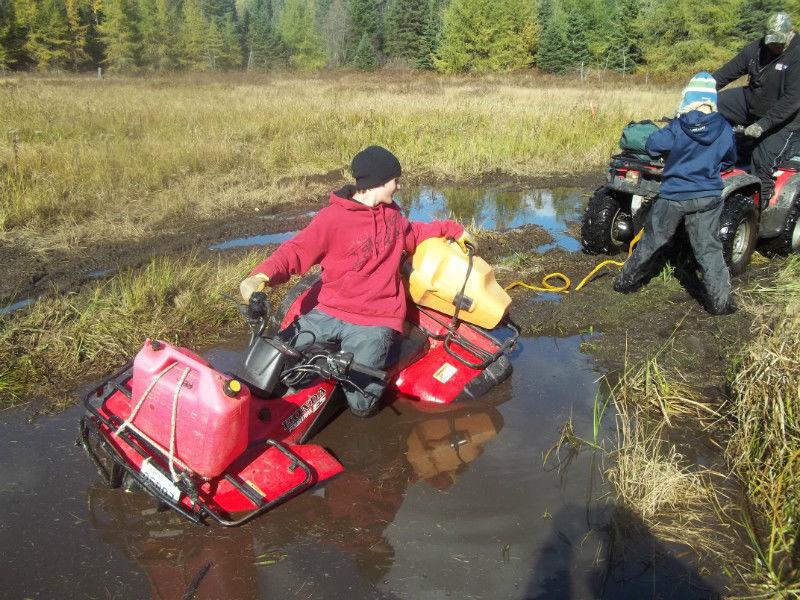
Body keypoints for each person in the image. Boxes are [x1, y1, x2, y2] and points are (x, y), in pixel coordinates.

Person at [239, 145, 473, 417]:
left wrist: (452, 229)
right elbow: (296, 251)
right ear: (378, 182)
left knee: (361, 406)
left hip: (376, 318)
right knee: (269, 360)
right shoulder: (332, 219)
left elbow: (415, 232)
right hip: (328, 312)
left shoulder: (394, 217)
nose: (398, 187)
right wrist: (260, 275)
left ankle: (402, 347)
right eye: (395, 180)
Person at [614, 72, 736, 315]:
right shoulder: (723, 126)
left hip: (674, 196)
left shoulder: (678, 126)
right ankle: (721, 305)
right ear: (711, 99)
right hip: (707, 196)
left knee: (652, 240)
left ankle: (625, 283)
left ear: (688, 97)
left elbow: (652, 145)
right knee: (709, 249)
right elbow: (730, 159)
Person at [713, 11, 800, 202]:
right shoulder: (756, 49)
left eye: (779, 41)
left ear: (791, 33)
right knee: (714, 104)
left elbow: (793, 99)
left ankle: (761, 204)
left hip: (786, 120)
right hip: (753, 102)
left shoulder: (797, 54)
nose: (774, 46)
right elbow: (725, 74)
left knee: (762, 156)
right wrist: (700, 89)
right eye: (771, 41)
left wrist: (763, 125)